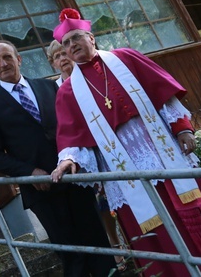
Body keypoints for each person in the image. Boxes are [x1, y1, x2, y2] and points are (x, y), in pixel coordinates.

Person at [50, 8, 201, 277]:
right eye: (66, 43)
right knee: (158, 239)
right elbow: (72, 137)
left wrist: (182, 129)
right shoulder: (68, 91)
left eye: (77, 38)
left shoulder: (125, 58)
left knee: (193, 218)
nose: (72, 45)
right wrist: (67, 161)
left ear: (92, 38)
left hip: (164, 154)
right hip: (125, 174)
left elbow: (163, 96)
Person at [0, 40, 117, 276]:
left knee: (99, 246)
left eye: (7, 57)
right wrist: (29, 173)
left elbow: (73, 128)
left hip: (74, 180)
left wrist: (76, 160)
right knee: (72, 257)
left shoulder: (49, 88)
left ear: (18, 59)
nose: (3, 64)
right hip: (42, 191)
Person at [48, 39, 127, 272]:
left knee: (117, 199)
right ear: (53, 64)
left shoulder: (90, 77)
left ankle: (124, 241)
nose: (63, 59)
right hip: (79, 152)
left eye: (64, 54)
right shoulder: (54, 90)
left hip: (106, 144)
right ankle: (114, 246)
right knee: (100, 205)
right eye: (56, 57)